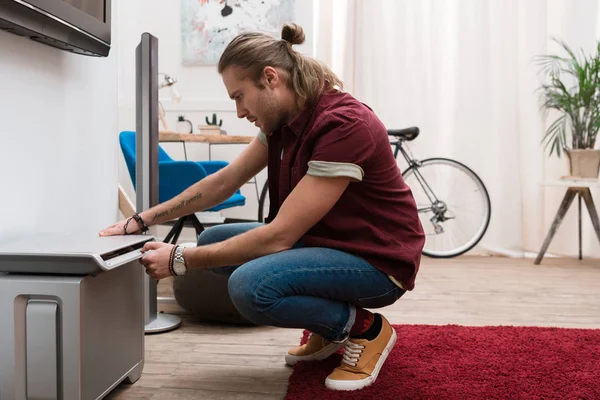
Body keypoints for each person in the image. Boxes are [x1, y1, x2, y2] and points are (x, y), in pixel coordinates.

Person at [100, 23, 425, 391]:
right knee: (215, 242)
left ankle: (366, 330)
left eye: (240, 96)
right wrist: (140, 219)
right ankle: (329, 326)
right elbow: (223, 182)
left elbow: (280, 236)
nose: (239, 111)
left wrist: (179, 258)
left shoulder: (343, 125)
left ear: (270, 78)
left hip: (378, 261)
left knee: (249, 287)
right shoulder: (283, 121)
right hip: (330, 243)